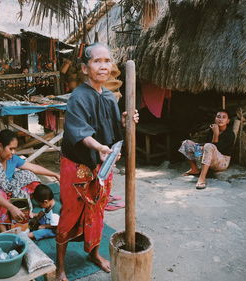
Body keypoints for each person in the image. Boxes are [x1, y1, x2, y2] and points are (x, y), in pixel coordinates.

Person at [56, 43, 139, 281]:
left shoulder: (111, 98)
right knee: (70, 213)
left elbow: (113, 132)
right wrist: (99, 147)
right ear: (85, 67)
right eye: (97, 61)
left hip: (102, 166)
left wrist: (125, 121)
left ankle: (93, 253)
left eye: (107, 61)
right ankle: (60, 265)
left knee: (97, 211)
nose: (103, 66)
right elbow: (79, 132)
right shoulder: (78, 97)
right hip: (77, 166)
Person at [0, 129, 60, 232]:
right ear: (0, 146)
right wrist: (11, 207)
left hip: (6, 192)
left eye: (15, 149)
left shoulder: (12, 158)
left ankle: (29, 212)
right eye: (11, 149)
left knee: (29, 177)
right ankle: (5, 232)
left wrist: (55, 174)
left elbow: (33, 167)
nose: (14, 152)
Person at [178, 109, 235, 189]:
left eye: (224, 117)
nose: (220, 119)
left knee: (208, 146)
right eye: (218, 117)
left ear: (228, 121)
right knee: (186, 143)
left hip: (222, 162)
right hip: (208, 158)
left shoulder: (230, 134)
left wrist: (216, 134)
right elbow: (207, 145)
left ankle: (202, 178)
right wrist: (198, 147)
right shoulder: (211, 131)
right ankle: (194, 169)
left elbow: (216, 148)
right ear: (215, 119)